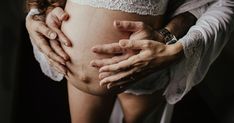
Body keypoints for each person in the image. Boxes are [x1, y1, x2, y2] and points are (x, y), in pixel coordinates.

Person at [25, 0, 234, 123]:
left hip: (147, 65)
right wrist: (40, 10)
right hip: (77, 74)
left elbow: (221, 2)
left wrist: (169, 38)